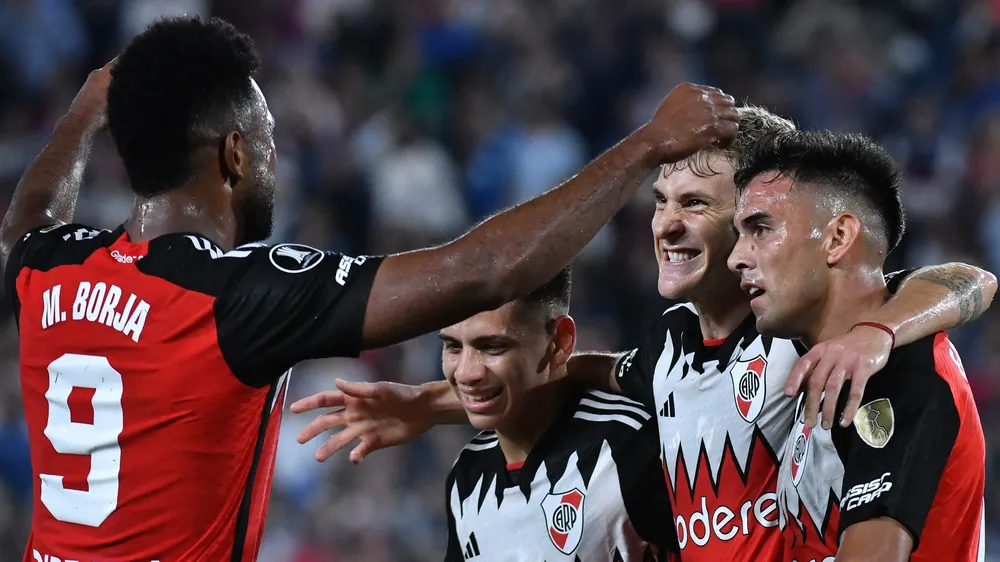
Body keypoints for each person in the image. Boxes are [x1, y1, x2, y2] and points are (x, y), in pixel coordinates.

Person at [0, 16, 742, 562]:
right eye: (266, 144)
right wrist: (648, 145)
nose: (272, 161)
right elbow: (485, 273)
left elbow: (25, 218)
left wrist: (85, 112)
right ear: (232, 155)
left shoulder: (49, 269)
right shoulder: (235, 296)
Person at [293, 107, 996, 561]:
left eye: (698, 205)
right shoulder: (670, 349)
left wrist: (876, 332)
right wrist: (433, 403)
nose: (665, 224)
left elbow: (961, 281)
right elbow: (571, 370)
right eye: (660, 203)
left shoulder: (804, 335)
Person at [729, 130, 986, 561]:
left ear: (838, 237)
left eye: (760, 228)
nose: (737, 257)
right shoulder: (833, 362)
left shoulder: (899, 369)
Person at [440, 267, 677, 561]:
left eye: (492, 347)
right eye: (452, 346)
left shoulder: (627, 447)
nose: (466, 372)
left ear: (560, 342)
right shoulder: (466, 475)